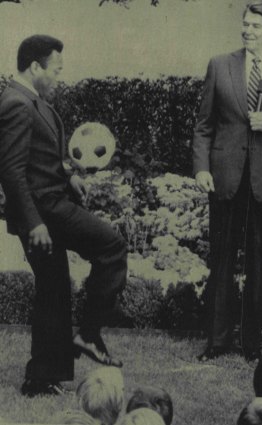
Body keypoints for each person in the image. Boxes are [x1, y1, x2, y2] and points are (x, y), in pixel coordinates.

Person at [0, 34, 127, 396]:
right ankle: (87, 335)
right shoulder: (16, 103)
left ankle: (40, 378)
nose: (58, 76)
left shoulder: (29, 100)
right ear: (35, 66)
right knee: (112, 247)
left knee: (53, 289)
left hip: (50, 203)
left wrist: (69, 175)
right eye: (55, 69)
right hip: (45, 212)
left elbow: (38, 159)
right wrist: (35, 222)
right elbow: (10, 170)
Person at [192, 1, 262, 362]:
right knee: (222, 258)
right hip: (225, 178)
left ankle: (251, 344)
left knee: (259, 262)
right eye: (245, 24)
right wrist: (201, 168)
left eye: (256, 26)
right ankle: (217, 341)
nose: (247, 31)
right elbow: (203, 126)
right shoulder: (220, 64)